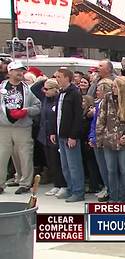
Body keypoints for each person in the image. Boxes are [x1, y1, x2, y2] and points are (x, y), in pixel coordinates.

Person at [0, 62, 41, 194]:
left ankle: (25, 183)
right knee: (2, 156)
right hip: (4, 127)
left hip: (23, 127)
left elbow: (38, 106)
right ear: (10, 71)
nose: (20, 73)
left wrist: (26, 111)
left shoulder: (28, 89)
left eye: (22, 70)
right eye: (17, 70)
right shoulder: (1, 87)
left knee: (25, 155)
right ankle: (1, 184)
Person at [96, 77, 125, 202]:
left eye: (115, 86)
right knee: (111, 170)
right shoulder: (107, 98)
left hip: (124, 140)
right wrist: (99, 137)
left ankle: (123, 198)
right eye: (112, 86)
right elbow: (101, 118)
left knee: (124, 169)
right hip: (108, 140)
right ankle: (113, 197)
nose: (113, 88)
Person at [49, 68, 85, 202]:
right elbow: (57, 115)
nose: (57, 79)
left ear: (67, 78)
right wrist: (53, 131)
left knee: (74, 165)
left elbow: (77, 117)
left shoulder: (75, 93)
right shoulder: (60, 93)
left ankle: (78, 191)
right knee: (65, 165)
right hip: (60, 134)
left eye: (59, 76)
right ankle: (70, 188)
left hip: (70, 136)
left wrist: (73, 136)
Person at [30, 78, 68, 197]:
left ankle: (63, 185)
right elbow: (34, 88)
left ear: (55, 90)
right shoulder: (44, 98)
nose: (44, 91)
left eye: (47, 89)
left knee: (58, 162)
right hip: (44, 135)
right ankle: (56, 184)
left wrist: (55, 81)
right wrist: (45, 79)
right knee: (51, 162)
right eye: (44, 89)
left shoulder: (60, 99)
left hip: (56, 136)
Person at [88, 78, 113, 202]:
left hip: (106, 140)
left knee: (108, 166)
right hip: (96, 138)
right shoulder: (98, 104)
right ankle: (106, 186)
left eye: (99, 90)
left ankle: (110, 188)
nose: (96, 92)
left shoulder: (109, 104)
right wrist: (92, 136)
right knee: (101, 166)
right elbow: (94, 123)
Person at [81, 95, 103, 194]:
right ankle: (92, 184)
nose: (82, 103)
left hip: (90, 142)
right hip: (86, 141)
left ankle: (95, 185)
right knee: (89, 165)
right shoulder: (83, 113)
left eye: (84, 101)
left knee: (92, 165)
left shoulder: (91, 113)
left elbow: (91, 126)